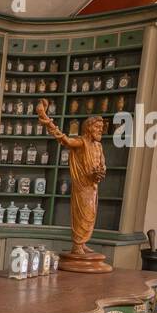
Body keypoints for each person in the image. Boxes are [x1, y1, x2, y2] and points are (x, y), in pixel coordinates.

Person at [37, 100, 107, 259]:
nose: (100, 130)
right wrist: (47, 121)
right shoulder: (81, 142)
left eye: (101, 128)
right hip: (82, 184)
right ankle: (77, 244)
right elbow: (65, 140)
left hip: (93, 185)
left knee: (91, 214)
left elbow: (102, 163)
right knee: (81, 214)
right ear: (89, 128)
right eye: (97, 127)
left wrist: (102, 171)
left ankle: (82, 242)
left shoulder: (98, 146)